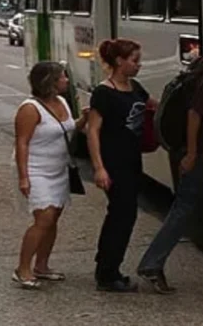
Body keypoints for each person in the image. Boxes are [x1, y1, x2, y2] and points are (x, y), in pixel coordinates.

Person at [137, 25, 203, 294]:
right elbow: (195, 115)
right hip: (194, 148)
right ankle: (152, 263)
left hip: (202, 145)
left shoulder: (201, 64)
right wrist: (192, 154)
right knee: (183, 208)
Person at [87, 38, 156, 292]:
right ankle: (107, 272)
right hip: (113, 163)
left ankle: (107, 263)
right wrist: (99, 167)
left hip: (132, 161)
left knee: (124, 216)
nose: (139, 65)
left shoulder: (135, 88)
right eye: (134, 60)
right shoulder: (104, 93)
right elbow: (93, 131)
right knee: (121, 215)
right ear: (119, 61)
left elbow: (153, 106)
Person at [12, 62, 89, 289]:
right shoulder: (29, 109)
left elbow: (67, 129)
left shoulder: (62, 101)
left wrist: (83, 120)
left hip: (59, 168)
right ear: (51, 82)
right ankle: (22, 268)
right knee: (43, 219)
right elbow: (22, 143)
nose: (67, 80)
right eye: (63, 77)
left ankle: (42, 265)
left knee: (53, 218)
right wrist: (23, 177)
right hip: (37, 169)